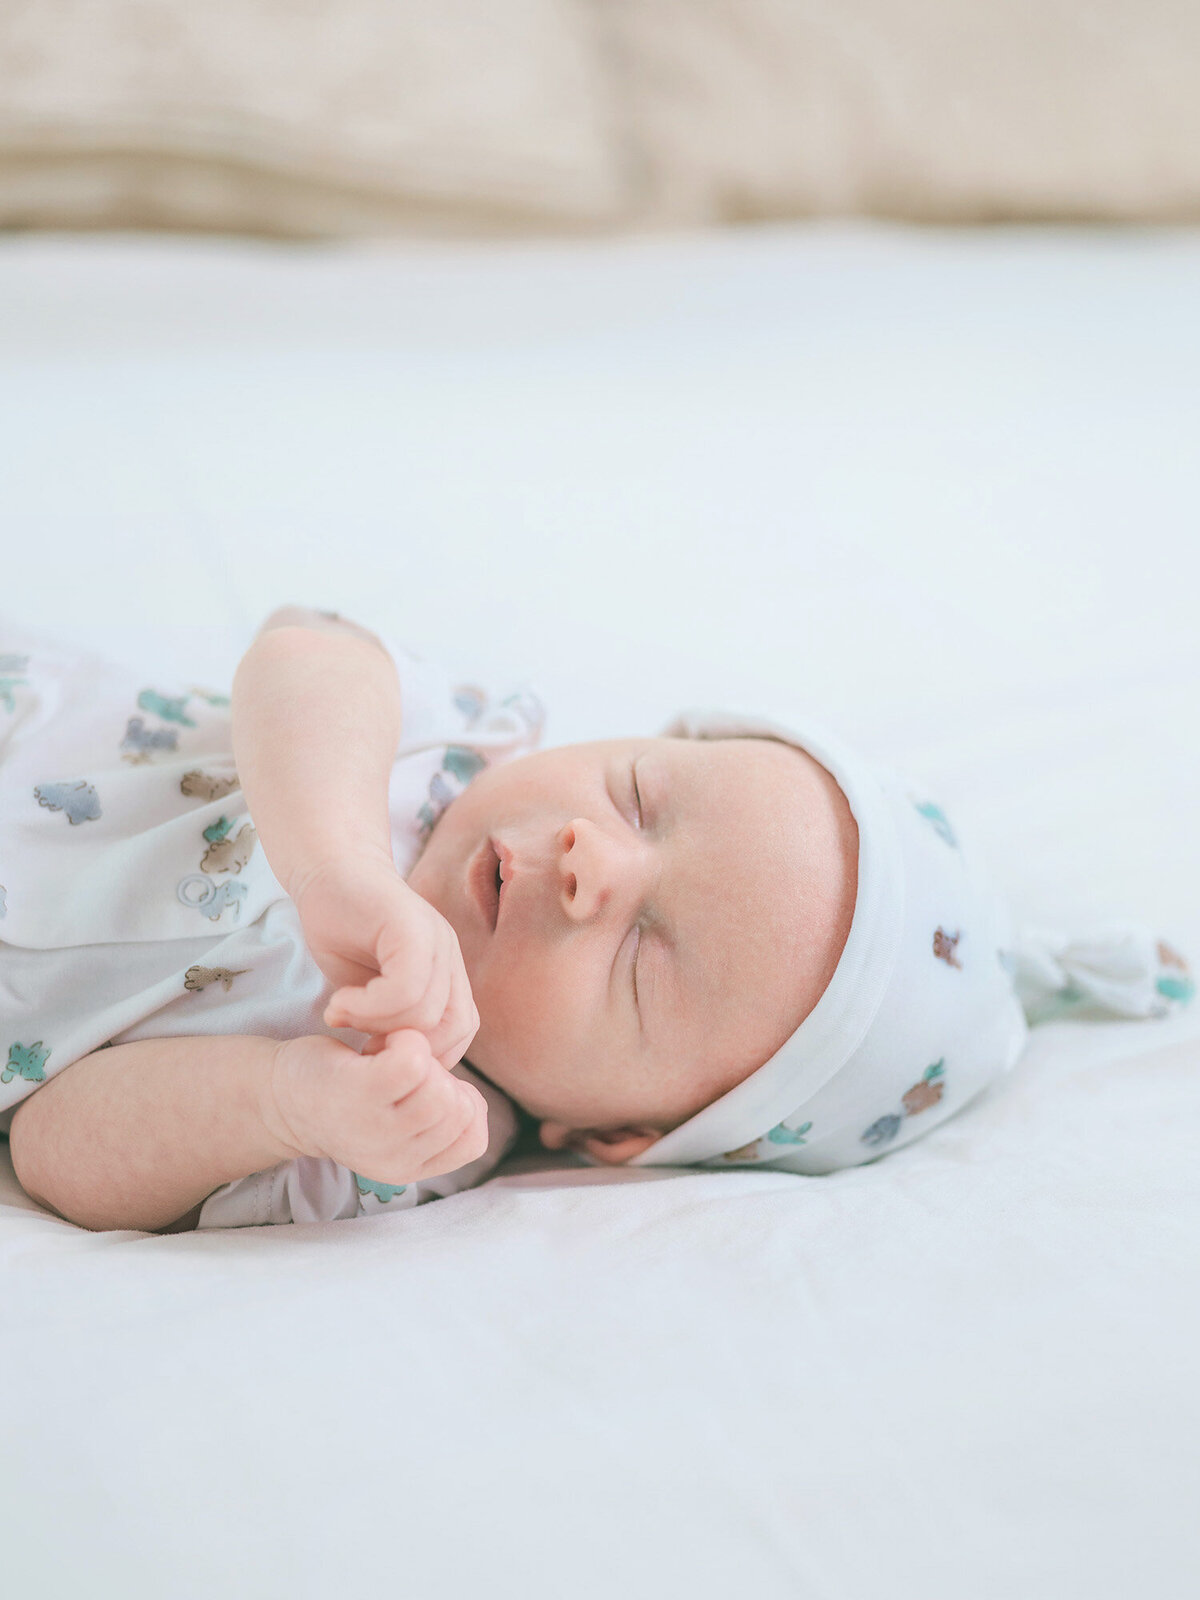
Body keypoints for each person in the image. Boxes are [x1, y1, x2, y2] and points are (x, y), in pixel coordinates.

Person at [2, 606, 1192, 1233]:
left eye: (642, 960)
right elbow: (304, 652)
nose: (593, 865)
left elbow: (52, 1149)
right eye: (639, 795)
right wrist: (338, 864)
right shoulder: (452, 743)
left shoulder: (411, 1124)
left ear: (612, 1134)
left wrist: (280, 1102)